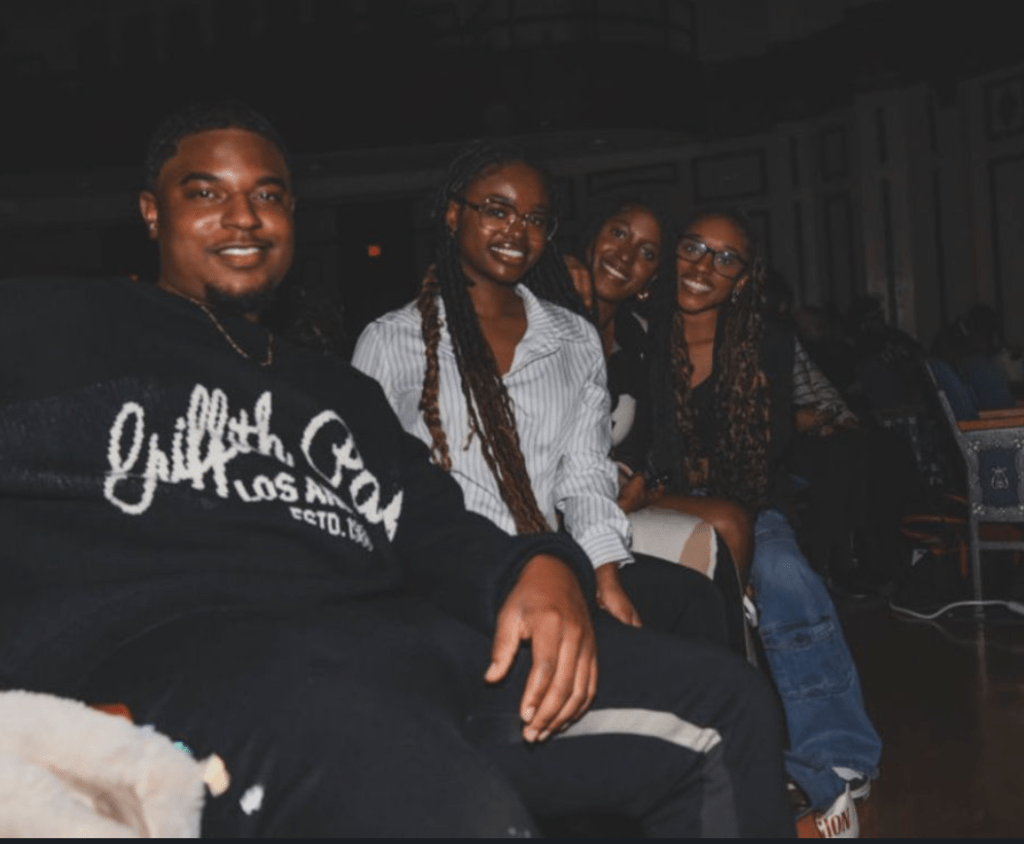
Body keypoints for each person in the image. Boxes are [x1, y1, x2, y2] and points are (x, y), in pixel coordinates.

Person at [0, 103, 793, 837]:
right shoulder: (70, 326)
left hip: (408, 640)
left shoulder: (333, 387)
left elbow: (430, 517)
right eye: (207, 192)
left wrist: (539, 567)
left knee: (729, 705)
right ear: (152, 212)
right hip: (216, 664)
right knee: (457, 810)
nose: (243, 216)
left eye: (268, 195)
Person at [353, 142, 731, 646]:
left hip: (551, 562)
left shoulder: (573, 337)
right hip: (446, 577)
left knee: (695, 604)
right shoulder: (390, 340)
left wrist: (604, 573)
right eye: (496, 210)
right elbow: (365, 488)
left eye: (534, 218)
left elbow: (585, 473)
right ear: (451, 215)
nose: (517, 231)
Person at [646, 207, 882, 835]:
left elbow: (763, 457)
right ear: (671, 251)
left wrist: (739, 542)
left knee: (784, 573)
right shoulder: (640, 332)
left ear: (745, 279)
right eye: (693, 247)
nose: (704, 267)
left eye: (726, 258)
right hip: (656, 498)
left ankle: (838, 752)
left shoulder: (768, 344)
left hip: (747, 499)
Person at [568, 196, 750, 654]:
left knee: (733, 523)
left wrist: (642, 482)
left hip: (619, 496)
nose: (627, 256)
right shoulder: (546, 317)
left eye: (648, 253)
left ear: (652, 278)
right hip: (561, 506)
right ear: (591, 236)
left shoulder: (639, 337)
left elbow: (650, 437)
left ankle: (735, 666)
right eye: (619, 233)